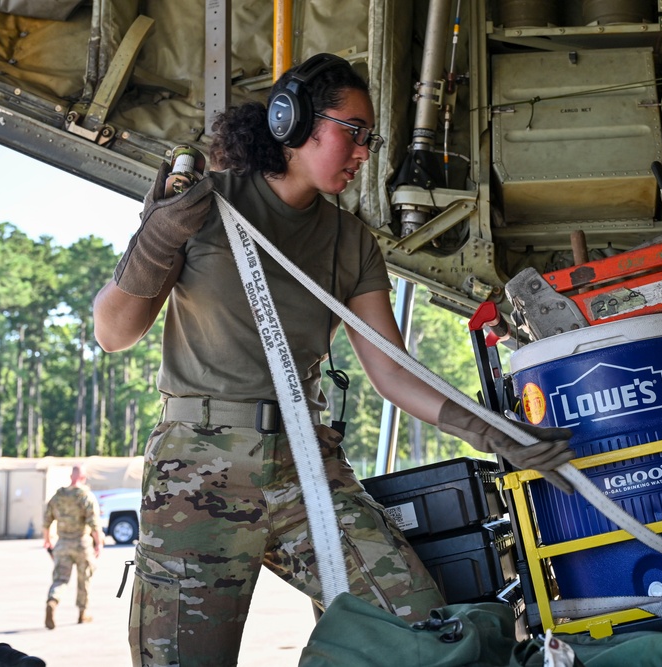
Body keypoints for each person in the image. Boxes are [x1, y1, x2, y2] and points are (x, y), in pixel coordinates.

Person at [92, 53, 574, 666]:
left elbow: (393, 370)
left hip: (304, 464)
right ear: (293, 124)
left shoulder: (351, 242)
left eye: (368, 139)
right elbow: (113, 332)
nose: (364, 153)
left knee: (417, 631)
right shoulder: (205, 205)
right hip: (196, 467)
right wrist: (157, 237)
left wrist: (489, 431)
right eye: (353, 132)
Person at [42, 464, 103, 629]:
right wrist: (99, 543)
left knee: (60, 579)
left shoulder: (57, 496)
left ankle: (52, 601)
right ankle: (83, 613)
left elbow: (46, 521)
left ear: (71, 477)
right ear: (83, 478)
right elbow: (94, 523)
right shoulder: (85, 496)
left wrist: (47, 540)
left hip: (62, 544)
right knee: (84, 580)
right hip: (82, 544)